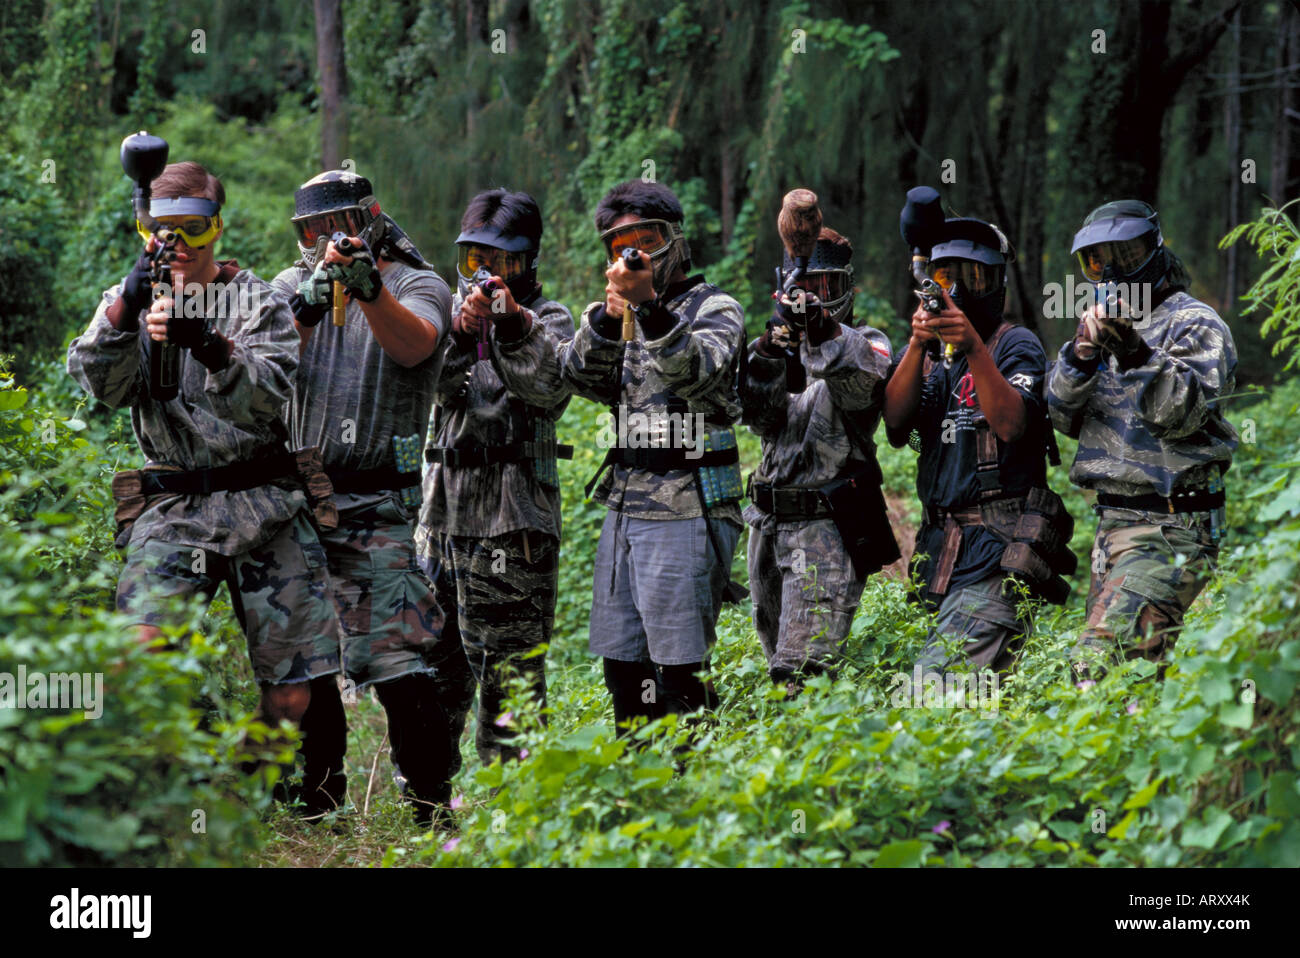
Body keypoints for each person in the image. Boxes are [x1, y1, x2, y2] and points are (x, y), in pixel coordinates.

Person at [68, 161, 348, 817]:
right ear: (146, 234)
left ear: (217, 227)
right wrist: (123, 309)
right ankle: (165, 793)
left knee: (290, 692)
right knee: (139, 654)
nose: (182, 247)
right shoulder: (129, 296)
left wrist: (208, 343)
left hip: (263, 496)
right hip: (174, 504)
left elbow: (265, 395)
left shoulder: (259, 301)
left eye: (194, 228)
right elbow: (97, 386)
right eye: (165, 232)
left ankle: (261, 781)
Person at [272, 169, 456, 823]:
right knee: (303, 652)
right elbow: (263, 357)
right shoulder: (292, 287)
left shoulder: (418, 283)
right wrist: (320, 289)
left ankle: (431, 803)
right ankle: (316, 800)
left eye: (336, 227)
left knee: (391, 654)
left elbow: (416, 345)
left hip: (378, 497)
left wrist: (368, 286)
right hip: (300, 496)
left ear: (368, 222)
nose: (322, 240)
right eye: (310, 231)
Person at [562, 179, 746, 735]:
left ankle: (696, 789)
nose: (636, 254)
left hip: (688, 499)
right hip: (625, 502)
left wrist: (647, 309)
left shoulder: (715, 307)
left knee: (679, 668)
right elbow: (576, 378)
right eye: (621, 245)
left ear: (677, 240)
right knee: (622, 666)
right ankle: (640, 797)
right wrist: (604, 320)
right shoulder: (613, 313)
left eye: (648, 239)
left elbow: (697, 373)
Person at [415, 188, 575, 766]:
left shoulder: (550, 320)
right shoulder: (442, 317)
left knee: (510, 684)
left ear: (527, 263)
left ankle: (515, 824)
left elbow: (549, 389)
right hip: (439, 522)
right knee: (433, 671)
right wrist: (459, 334)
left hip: (513, 524)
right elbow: (430, 387)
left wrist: (510, 327)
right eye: (472, 260)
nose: (484, 275)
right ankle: (427, 807)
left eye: (500, 262)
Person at [1047, 200, 1237, 681]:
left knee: (1095, 671)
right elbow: (1059, 414)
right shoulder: (1095, 321)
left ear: (1154, 251)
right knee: (1133, 685)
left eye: (1125, 256)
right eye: (1097, 260)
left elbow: (1182, 415)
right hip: (1113, 525)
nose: (1110, 270)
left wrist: (1134, 351)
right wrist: (1081, 357)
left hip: (1172, 524)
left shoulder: (1194, 323)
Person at [883, 215, 1075, 682]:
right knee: (976, 705)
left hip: (997, 550)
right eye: (949, 279)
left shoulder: (1015, 345)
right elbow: (894, 425)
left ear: (996, 283)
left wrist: (972, 347)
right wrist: (916, 343)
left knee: (933, 691)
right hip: (939, 556)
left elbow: (1011, 424)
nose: (962, 292)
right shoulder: (929, 355)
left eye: (976, 277)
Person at [741, 225, 897, 690]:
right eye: (803, 288)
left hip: (824, 529)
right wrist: (768, 354)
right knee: (777, 663)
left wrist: (823, 330)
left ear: (846, 290)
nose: (811, 298)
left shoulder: (867, 342)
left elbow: (862, 385)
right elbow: (753, 415)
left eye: (823, 288)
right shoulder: (776, 345)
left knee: (801, 676)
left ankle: (814, 756)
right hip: (766, 524)